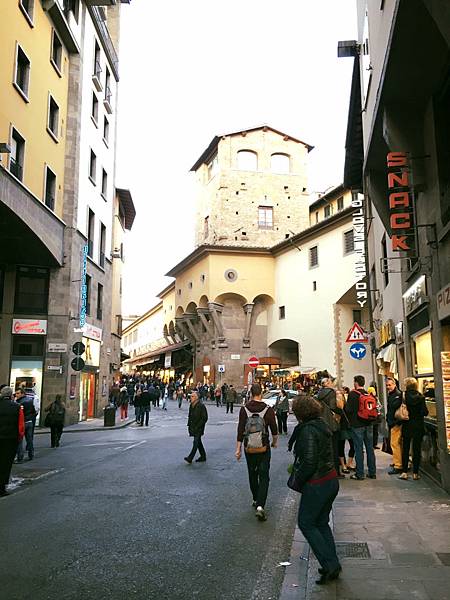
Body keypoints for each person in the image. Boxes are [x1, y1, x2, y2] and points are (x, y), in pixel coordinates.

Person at [290, 395, 341, 585]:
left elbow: (309, 461)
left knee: (306, 523)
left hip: (317, 483)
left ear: (300, 413)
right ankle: (332, 562)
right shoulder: (321, 425)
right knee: (320, 522)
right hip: (330, 479)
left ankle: (330, 564)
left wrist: (298, 479)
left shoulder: (308, 430)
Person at [235, 383, 278, 522]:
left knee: (252, 474)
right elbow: (274, 429)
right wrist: (274, 442)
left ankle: (255, 498)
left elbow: (240, 430)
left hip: (249, 448)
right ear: (262, 393)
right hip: (263, 447)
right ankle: (260, 506)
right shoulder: (268, 409)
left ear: (251, 393)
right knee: (264, 475)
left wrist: (238, 449)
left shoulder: (244, 409)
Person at [345, 375, 377, 480]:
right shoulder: (367, 393)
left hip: (357, 425)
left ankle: (360, 474)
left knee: (359, 449)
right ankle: (372, 472)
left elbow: (348, 410)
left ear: (356, 383)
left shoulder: (353, 394)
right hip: (368, 424)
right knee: (370, 449)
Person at [399, 377, 428, 481]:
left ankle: (404, 472)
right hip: (418, 426)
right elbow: (425, 412)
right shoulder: (421, 397)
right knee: (416, 449)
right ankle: (415, 473)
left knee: (406, 448)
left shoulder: (403, 396)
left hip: (407, 424)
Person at [316, 378, 343, 478]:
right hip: (332, 424)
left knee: (325, 449)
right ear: (327, 384)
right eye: (331, 382)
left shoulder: (319, 393)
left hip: (322, 423)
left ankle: (326, 472)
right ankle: (335, 472)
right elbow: (333, 406)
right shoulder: (331, 393)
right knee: (334, 449)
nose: (332, 384)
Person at [0, 386, 24, 497]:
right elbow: (20, 426)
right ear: (11, 396)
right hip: (10, 439)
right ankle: (1, 487)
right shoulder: (17, 407)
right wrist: (19, 437)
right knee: (6, 463)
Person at [184, 391, 208, 464]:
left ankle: (190, 458)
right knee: (198, 442)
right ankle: (203, 456)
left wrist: (198, 426)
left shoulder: (201, 406)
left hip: (199, 427)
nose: (191, 397)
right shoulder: (191, 405)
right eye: (191, 396)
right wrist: (189, 425)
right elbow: (190, 416)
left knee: (195, 442)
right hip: (193, 426)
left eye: (192, 396)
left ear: (197, 397)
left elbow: (204, 418)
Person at [386, 377, 403, 474]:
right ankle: (398, 462)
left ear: (395, 384)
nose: (388, 387)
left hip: (396, 423)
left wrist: (393, 422)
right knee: (396, 444)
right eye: (387, 385)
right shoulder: (393, 394)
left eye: (390, 385)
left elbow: (394, 407)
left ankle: (398, 465)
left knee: (395, 444)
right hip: (393, 422)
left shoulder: (397, 395)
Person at [15, 387, 37, 461]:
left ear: (22, 393)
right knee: (29, 439)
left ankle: (20, 457)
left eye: (18, 393)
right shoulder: (30, 400)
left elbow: (18, 414)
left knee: (20, 440)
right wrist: (31, 418)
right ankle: (31, 454)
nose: (16, 395)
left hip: (22, 423)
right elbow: (34, 412)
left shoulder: (19, 403)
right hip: (29, 422)